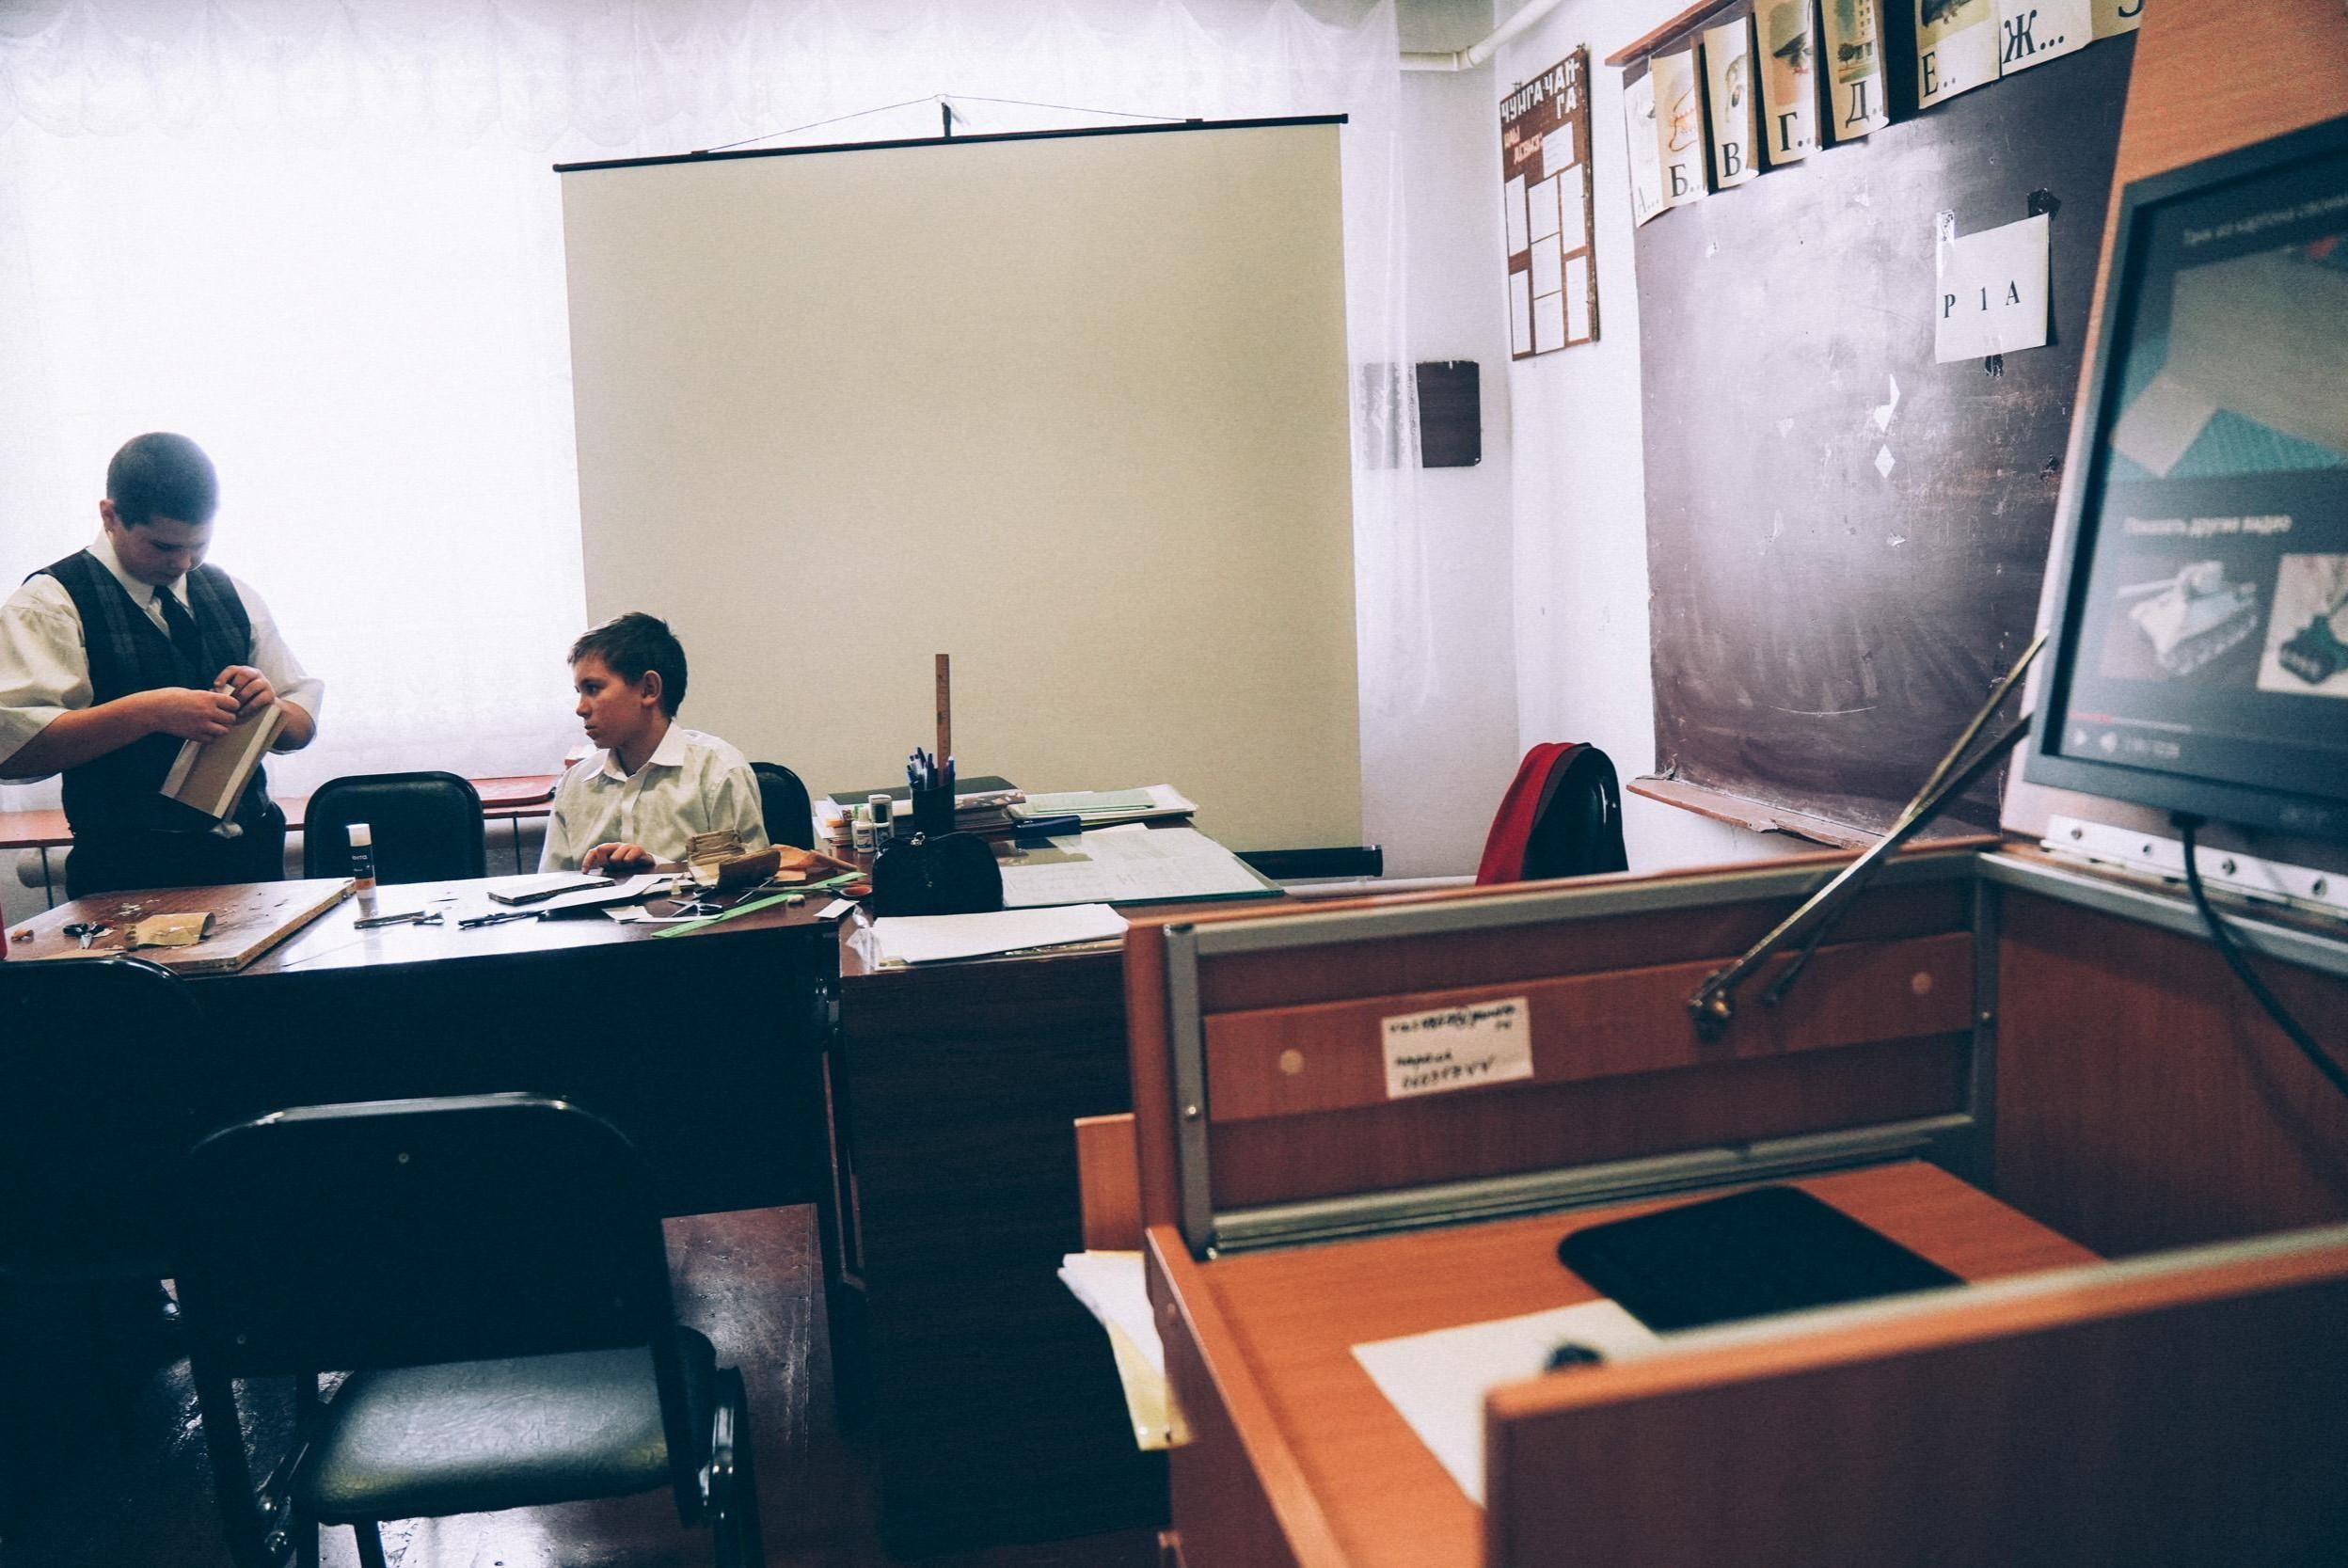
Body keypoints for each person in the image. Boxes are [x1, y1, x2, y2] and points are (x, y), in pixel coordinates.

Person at [0, 434, 322, 898]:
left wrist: (269, 707)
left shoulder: (232, 591)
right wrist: (147, 713)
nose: (184, 563)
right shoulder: (49, 604)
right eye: (163, 546)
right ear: (110, 517)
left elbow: (300, 725)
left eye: (199, 545)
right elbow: (14, 751)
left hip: (252, 858)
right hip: (128, 873)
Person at [541, 611, 767, 873]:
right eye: (579, 692)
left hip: (690, 902)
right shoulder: (575, 784)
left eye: (593, 689)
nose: (580, 708)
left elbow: (749, 881)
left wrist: (658, 868)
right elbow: (551, 885)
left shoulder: (718, 771)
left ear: (649, 689)